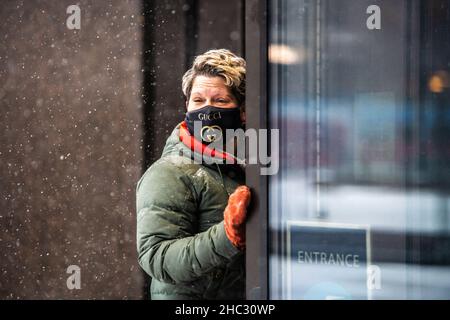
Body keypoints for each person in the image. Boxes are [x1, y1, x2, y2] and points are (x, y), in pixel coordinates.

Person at [136, 49, 251, 300]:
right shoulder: (170, 172)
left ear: (242, 112)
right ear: (187, 106)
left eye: (220, 101)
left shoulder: (246, 165)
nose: (207, 110)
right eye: (198, 101)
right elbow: (156, 257)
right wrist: (227, 236)